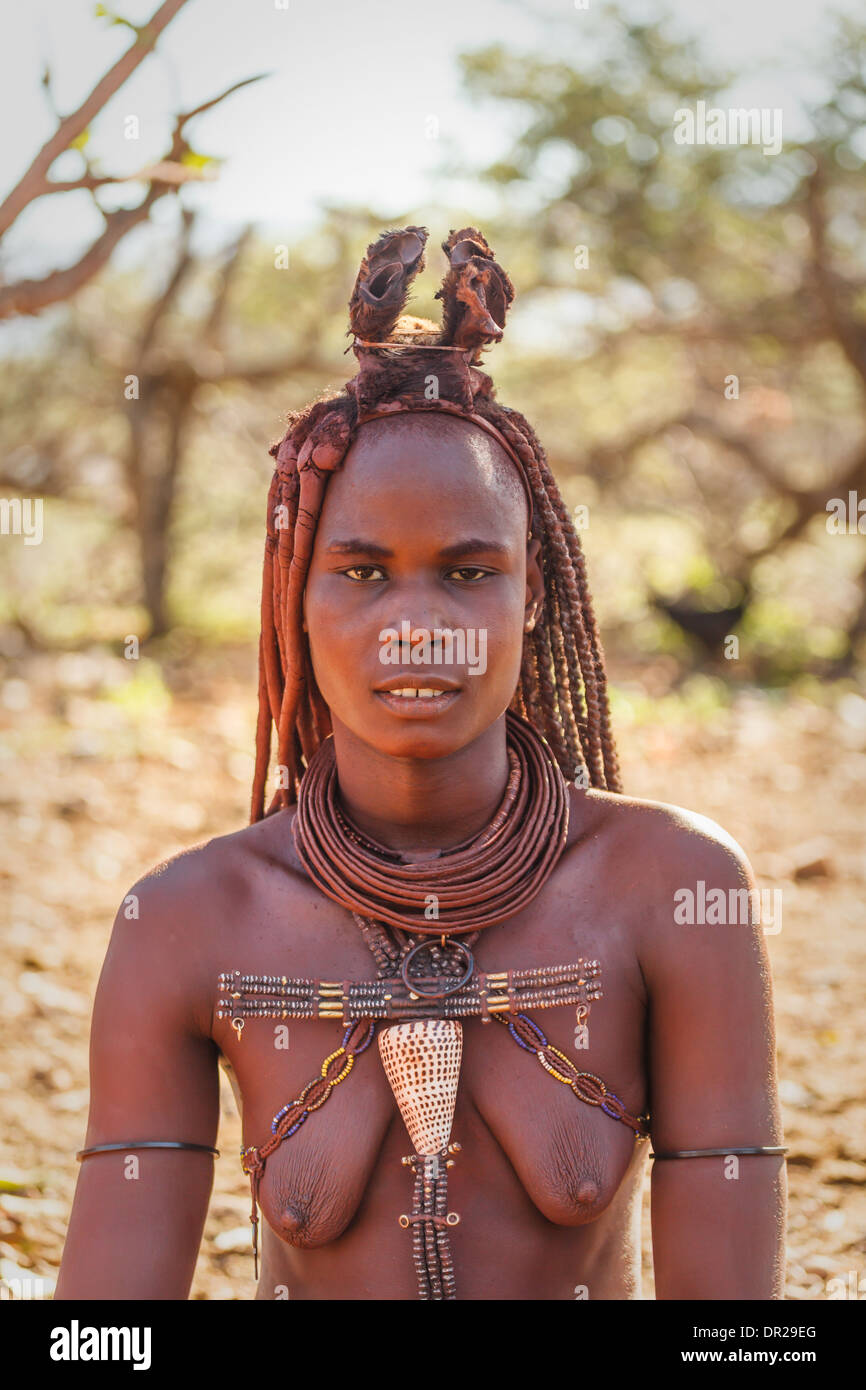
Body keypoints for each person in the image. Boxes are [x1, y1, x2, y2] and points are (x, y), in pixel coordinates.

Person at [56, 226, 786, 1301]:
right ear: (292, 597)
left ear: (530, 594)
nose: (415, 627)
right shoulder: (184, 920)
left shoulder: (673, 887)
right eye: (358, 572)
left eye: (464, 571)